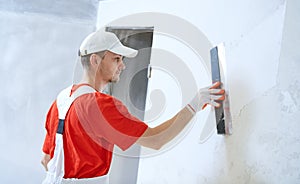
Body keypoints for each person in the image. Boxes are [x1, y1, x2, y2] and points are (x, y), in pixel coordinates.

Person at [41, 29, 225, 184]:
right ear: (95, 60)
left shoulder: (62, 99)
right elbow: (156, 140)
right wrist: (194, 104)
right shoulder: (100, 105)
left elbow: (46, 159)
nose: (122, 66)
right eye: (116, 59)